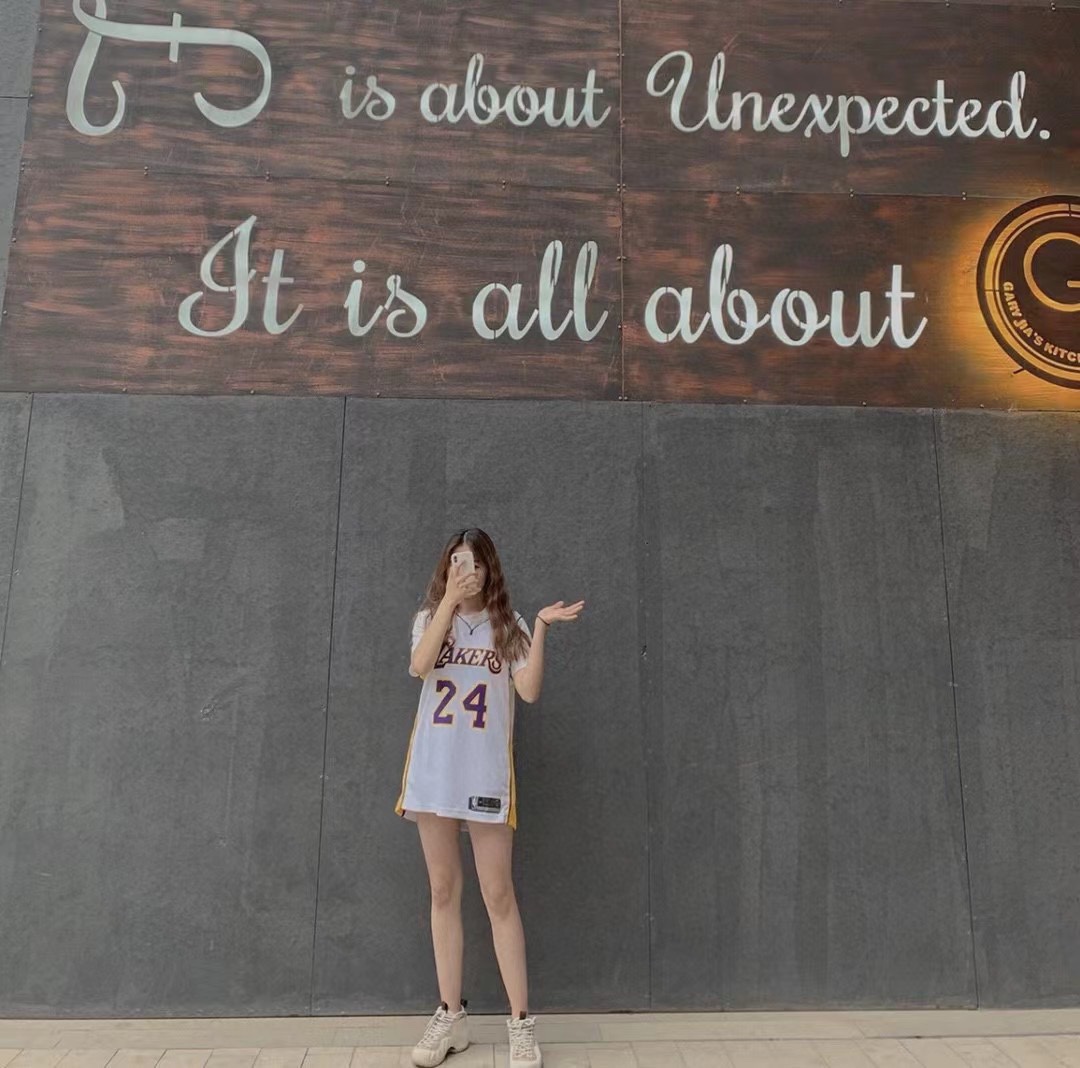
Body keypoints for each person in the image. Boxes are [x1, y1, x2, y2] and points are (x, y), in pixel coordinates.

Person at [396, 527, 585, 1068]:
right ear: (447, 568)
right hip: (434, 773)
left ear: (489, 568)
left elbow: (528, 690)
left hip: (483, 777)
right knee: (442, 890)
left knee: (498, 894)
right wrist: (447, 603)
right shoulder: (429, 618)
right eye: (458, 562)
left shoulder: (509, 625)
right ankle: (450, 1016)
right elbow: (419, 666)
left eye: (476, 562)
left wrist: (540, 627)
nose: (468, 571)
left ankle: (520, 1023)